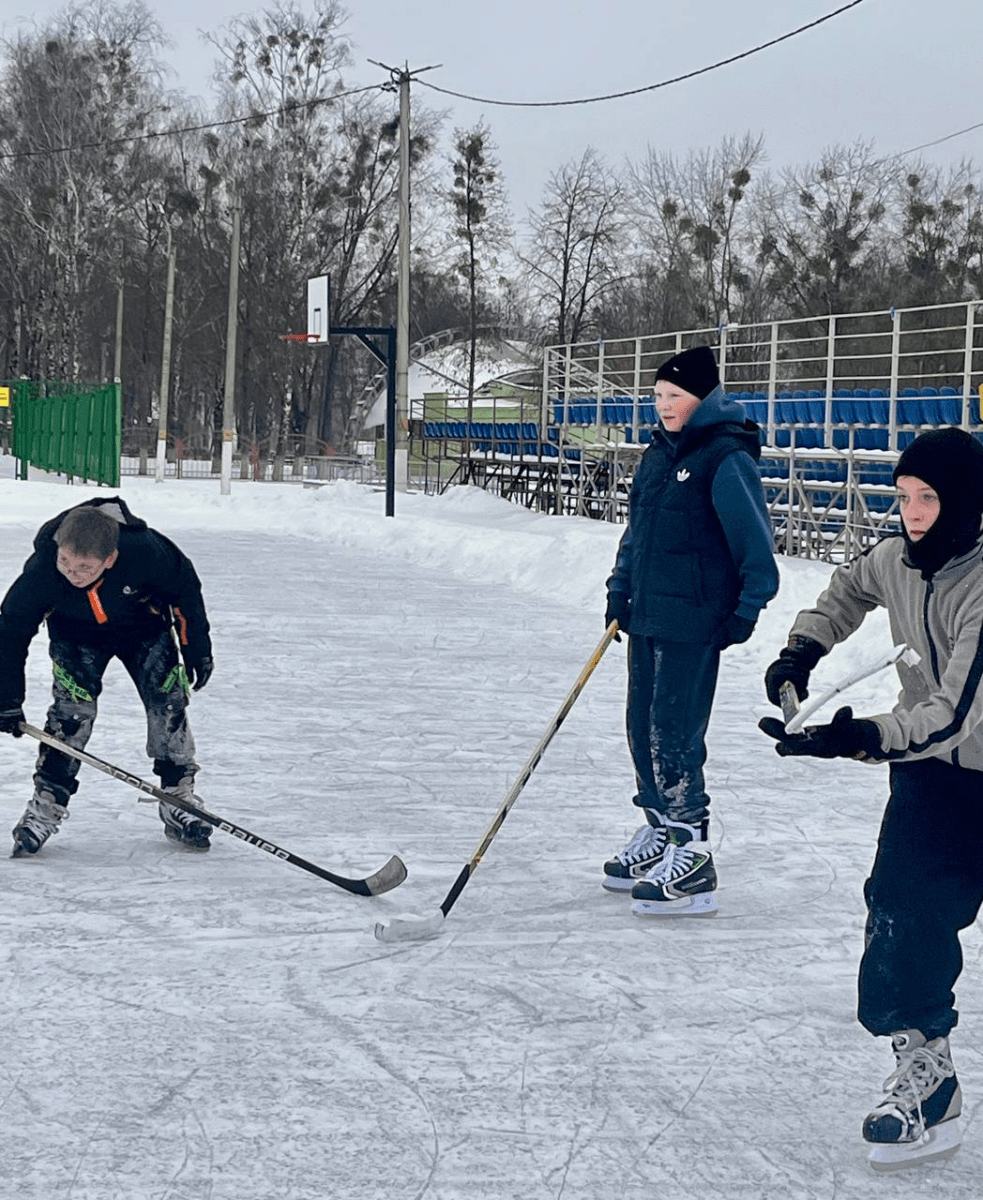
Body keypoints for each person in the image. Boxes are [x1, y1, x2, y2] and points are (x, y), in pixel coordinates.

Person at [759, 426, 983, 1171]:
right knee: (902, 912)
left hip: (951, 745)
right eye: (903, 496)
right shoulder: (896, 558)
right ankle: (929, 1077)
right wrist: (802, 650)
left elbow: (953, 713)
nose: (912, 513)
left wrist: (864, 736)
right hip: (933, 776)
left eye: (929, 498)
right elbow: (848, 590)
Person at [602, 344, 779, 915]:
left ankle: (693, 851)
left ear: (702, 398)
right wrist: (619, 588)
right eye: (657, 395)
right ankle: (660, 830)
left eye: (674, 395)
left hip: (695, 619)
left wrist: (747, 608)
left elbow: (755, 544)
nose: (663, 405)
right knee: (641, 728)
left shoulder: (725, 458)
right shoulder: (657, 455)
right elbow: (637, 534)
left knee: (673, 733)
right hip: (649, 614)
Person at [0, 496, 214, 856]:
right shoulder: (43, 570)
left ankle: (178, 797)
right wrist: (6, 698)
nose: (72, 573)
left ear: (110, 559)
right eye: (66, 562)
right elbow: (10, 631)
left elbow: (185, 590)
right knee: (71, 714)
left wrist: (197, 648)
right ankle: (46, 804)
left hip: (143, 627)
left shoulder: (146, 551)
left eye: (85, 567)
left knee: (168, 703)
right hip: (75, 634)